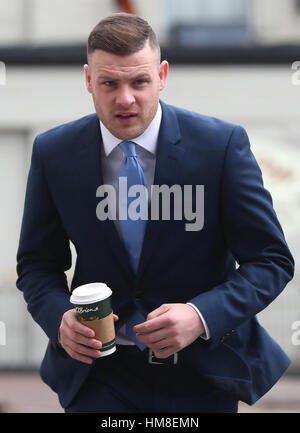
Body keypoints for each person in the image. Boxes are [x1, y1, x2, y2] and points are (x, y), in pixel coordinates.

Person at [16, 13, 294, 413]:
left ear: (161, 76)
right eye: (110, 83)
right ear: (88, 80)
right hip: (99, 378)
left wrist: (201, 315)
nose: (125, 98)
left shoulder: (221, 147)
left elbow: (271, 261)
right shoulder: (53, 152)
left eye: (139, 82)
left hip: (201, 375)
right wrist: (60, 319)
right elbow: (37, 266)